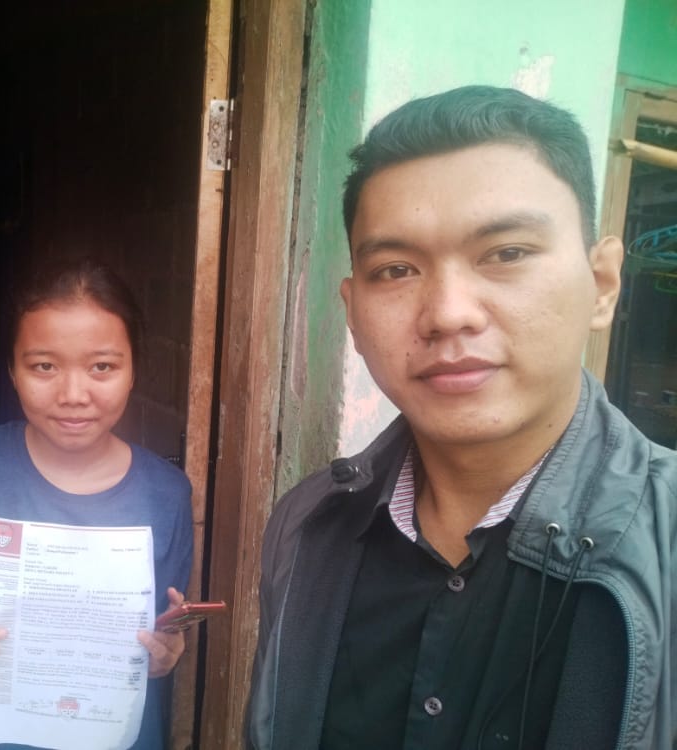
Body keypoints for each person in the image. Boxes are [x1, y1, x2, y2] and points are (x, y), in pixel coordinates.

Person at [246, 85, 677, 750]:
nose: (448, 312)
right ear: (353, 312)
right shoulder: (308, 528)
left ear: (603, 284)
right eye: (396, 269)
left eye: (506, 253)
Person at [0, 258, 193, 749]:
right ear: (12, 370)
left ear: (134, 370)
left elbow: (161, 628)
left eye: (102, 366)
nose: (73, 394)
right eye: (44, 366)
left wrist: (166, 652)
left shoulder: (166, 494)